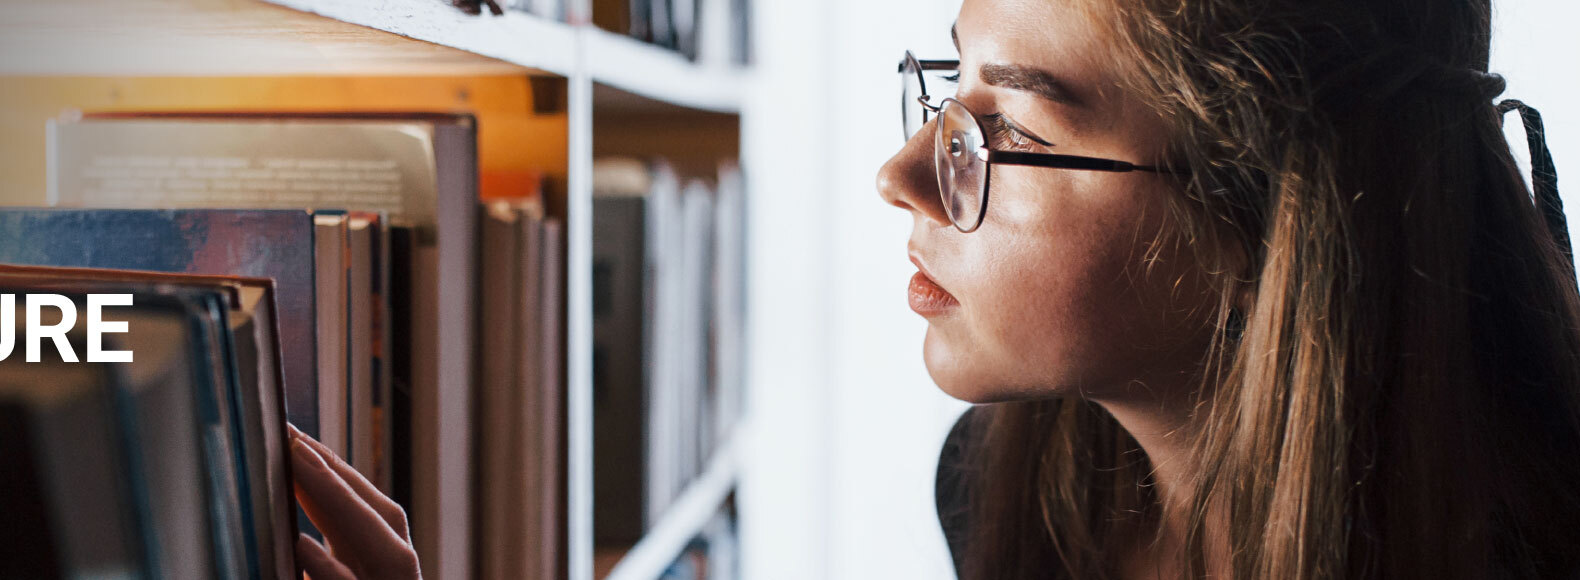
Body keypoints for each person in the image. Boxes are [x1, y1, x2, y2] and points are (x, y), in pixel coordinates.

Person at [290, 0, 1580, 576]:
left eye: (1004, 131)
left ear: (1268, 211)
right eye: (944, 88)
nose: (904, 172)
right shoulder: (1007, 487)